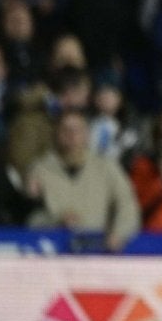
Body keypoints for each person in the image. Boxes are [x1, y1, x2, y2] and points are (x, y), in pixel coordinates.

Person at [25, 108, 141, 252]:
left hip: (97, 249)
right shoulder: (39, 169)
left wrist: (119, 233)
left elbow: (127, 205)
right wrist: (56, 221)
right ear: (56, 133)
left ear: (87, 134)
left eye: (77, 130)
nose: (72, 135)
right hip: (53, 249)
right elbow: (31, 218)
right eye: (65, 130)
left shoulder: (106, 167)